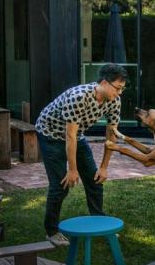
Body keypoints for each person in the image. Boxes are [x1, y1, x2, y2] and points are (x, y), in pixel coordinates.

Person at [35, 63, 127, 246]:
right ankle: (51, 231)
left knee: (95, 178)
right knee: (60, 184)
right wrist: (72, 169)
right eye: (118, 88)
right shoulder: (79, 97)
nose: (120, 93)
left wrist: (103, 167)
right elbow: (69, 136)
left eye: (122, 89)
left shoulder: (114, 101)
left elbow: (111, 135)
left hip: (76, 134)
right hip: (50, 134)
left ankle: (100, 222)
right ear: (104, 82)